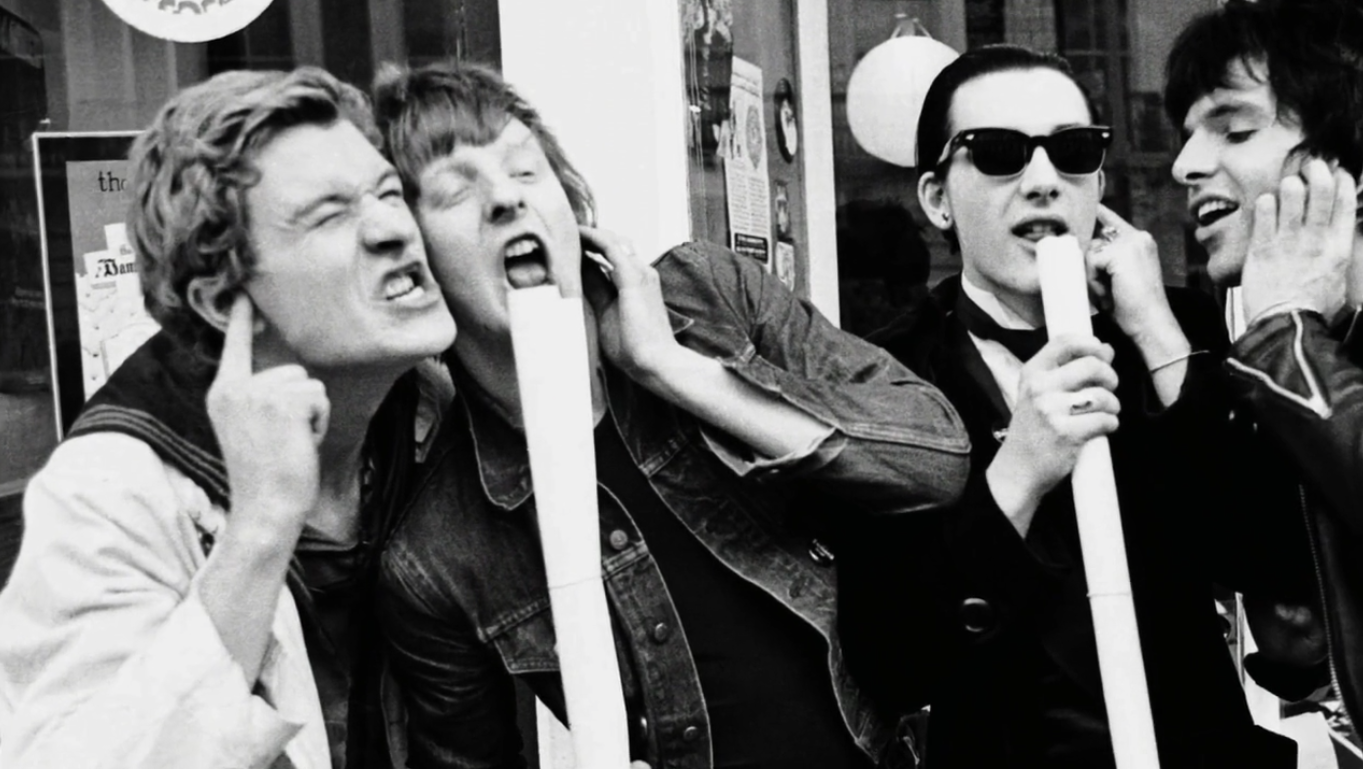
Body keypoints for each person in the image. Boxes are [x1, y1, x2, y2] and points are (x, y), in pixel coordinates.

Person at [369, 61, 970, 769]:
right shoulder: (434, 554)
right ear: (415, 262)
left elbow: (935, 460)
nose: (505, 199)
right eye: (455, 191)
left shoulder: (710, 295)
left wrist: (672, 368)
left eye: (526, 170)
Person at [837, 44, 1313, 768]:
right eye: (997, 152)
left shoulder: (1176, 329)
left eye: (1071, 151)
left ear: (1098, 181)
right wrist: (1016, 476)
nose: (1041, 180)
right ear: (936, 198)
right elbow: (893, 663)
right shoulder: (882, 375)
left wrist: (1156, 334)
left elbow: (1270, 558)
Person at [0, 67, 457, 768]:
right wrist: (260, 530)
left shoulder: (431, 410)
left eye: (388, 193)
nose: (394, 229)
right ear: (223, 301)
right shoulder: (109, 491)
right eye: (329, 215)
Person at [1165, 0, 1363, 724]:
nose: (1185, 165)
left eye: (1235, 129)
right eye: (1187, 134)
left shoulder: (1292, 349)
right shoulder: (1318, 345)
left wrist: (1283, 339)